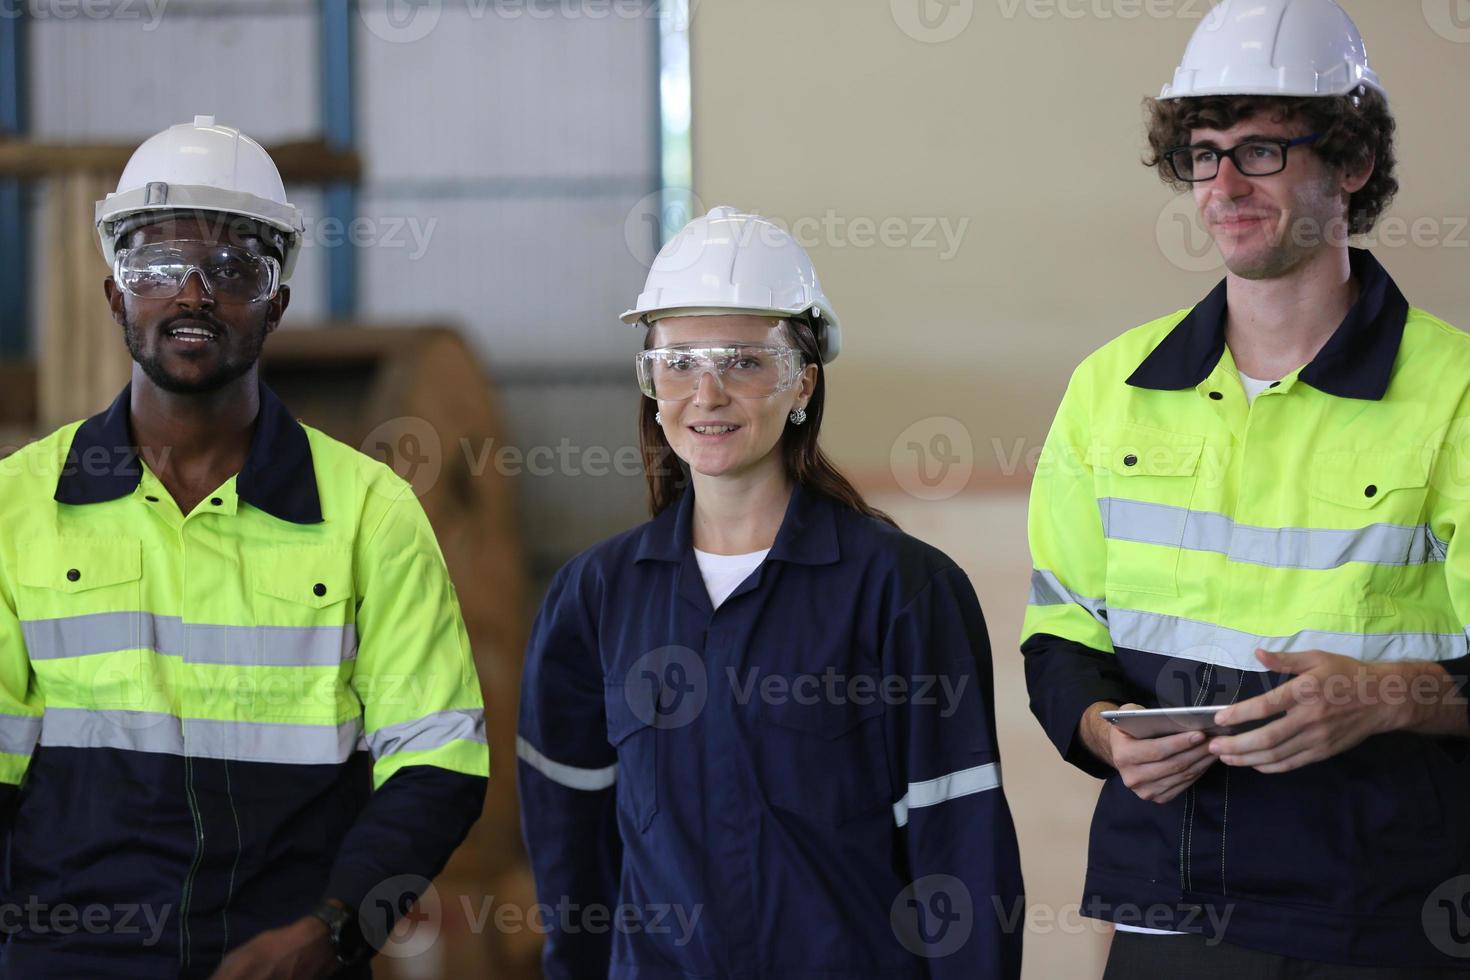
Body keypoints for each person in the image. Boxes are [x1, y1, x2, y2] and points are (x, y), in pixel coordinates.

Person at [1021, 1, 1470, 975]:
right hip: (1168, 905)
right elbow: (1060, 635)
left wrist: (1386, 695)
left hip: (1387, 911)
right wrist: (1104, 733)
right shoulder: (1111, 388)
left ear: (1350, 163)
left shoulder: (1456, 395)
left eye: (1261, 150)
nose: (1222, 182)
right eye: (1203, 151)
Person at [0, 117, 488, 978]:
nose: (192, 294)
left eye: (231, 269)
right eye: (156, 267)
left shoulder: (369, 512)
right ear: (116, 296)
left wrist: (333, 930)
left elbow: (439, 764)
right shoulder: (19, 505)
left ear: (276, 304)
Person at [517, 206, 1024, 978]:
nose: (708, 394)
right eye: (678, 363)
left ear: (802, 385)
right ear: (651, 384)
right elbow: (572, 860)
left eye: (745, 362)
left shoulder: (902, 593)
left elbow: (961, 856)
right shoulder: (596, 598)